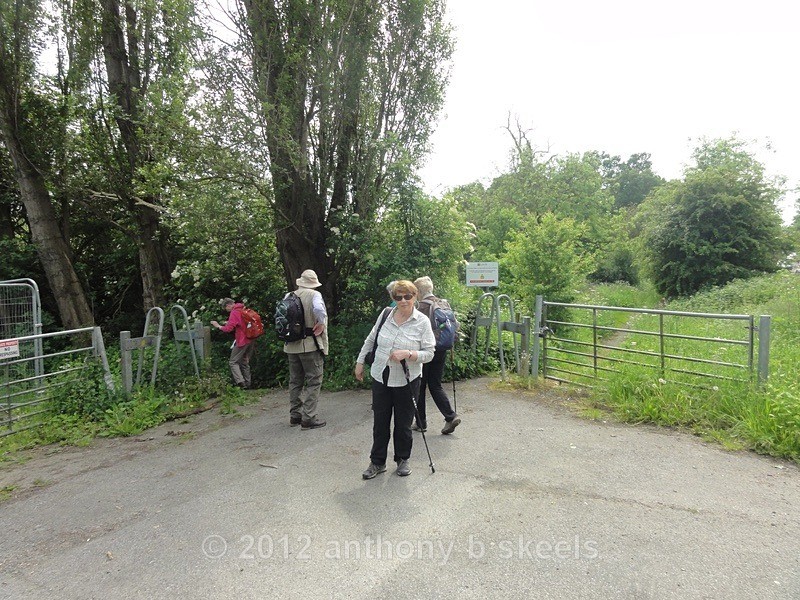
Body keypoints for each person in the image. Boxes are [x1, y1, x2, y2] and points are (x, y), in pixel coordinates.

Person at [355, 280, 435, 479]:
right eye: (398, 297)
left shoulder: (422, 322)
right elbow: (371, 339)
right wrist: (360, 362)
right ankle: (377, 462)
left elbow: (429, 353)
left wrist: (408, 354)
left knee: (403, 423)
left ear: (415, 296)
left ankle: (402, 459)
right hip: (381, 376)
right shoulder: (386, 314)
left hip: (407, 380)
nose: (403, 300)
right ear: (393, 298)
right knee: (380, 422)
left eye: (407, 296)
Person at [413, 276, 461, 434]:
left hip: (425, 351)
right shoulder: (443, 303)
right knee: (435, 385)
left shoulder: (421, 307)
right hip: (442, 349)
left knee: (420, 386)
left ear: (419, 292)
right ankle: (450, 416)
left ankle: (421, 422)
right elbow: (455, 326)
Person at [284, 269, 328, 430]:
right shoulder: (314, 295)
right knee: (314, 380)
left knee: (295, 381)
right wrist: (321, 323)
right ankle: (308, 417)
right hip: (309, 344)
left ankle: (295, 415)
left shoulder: (288, 296)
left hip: (291, 345)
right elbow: (319, 310)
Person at [211, 298, 255, 389]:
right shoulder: (243, 308)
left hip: (242, 340)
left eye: (225, 308)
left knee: (233, 362)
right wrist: (228, 322)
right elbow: (241, 323)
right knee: (244, 361)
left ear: (228, 305)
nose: (226, 310)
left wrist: (218, 326)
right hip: (251, 339)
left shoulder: (234, 312)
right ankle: (248, 383)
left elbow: (228, 329)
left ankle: (241, 382)